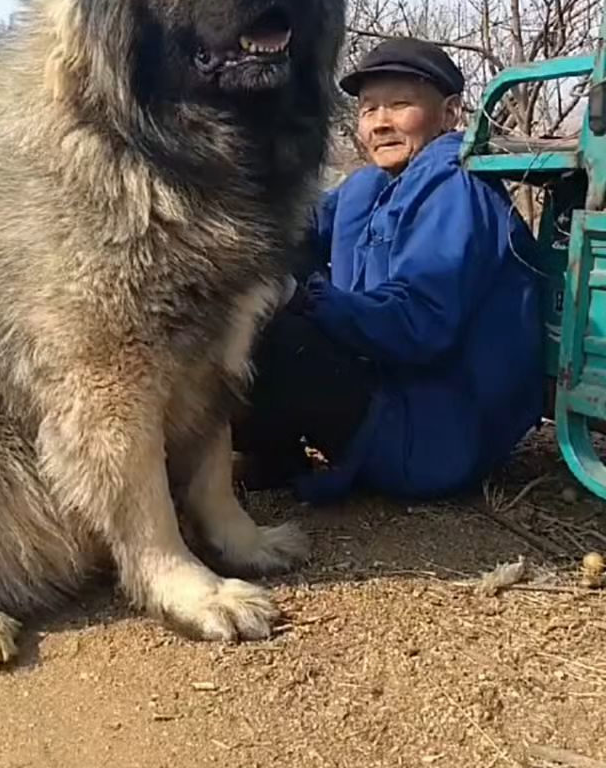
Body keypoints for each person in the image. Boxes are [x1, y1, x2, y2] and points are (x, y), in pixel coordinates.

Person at [233, 37, 544, 503]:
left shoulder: (456, 189)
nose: (380, 123)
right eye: (368, 109)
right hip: (383, 386)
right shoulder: (370, 185)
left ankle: (268, 455)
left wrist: (302, 297)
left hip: (433, 433)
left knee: (267, 331)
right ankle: (272, 456)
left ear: (450, 113)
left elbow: (418, 321)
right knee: (248, 276)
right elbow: (295, 226)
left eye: (399, 106)